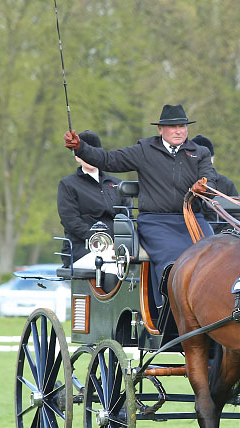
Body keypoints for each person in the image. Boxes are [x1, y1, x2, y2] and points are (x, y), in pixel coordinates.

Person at [63, 104, 215, 305]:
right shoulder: (145, 150)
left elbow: (210, 180)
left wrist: (204, 187)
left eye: (183, 126)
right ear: (160, 129)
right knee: (174, 259)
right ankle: (169, 309)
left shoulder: (199, 152)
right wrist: (80, 147)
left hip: (193, 220)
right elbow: (109, 160)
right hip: (157, 222)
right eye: (173, 127)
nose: (179, 131)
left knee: (215, 256)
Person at [56, 130, 130, 267]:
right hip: (84, 248)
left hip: (117, 248)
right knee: (111, 264)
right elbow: (71, 221)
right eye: (86, 153)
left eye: (94, 153)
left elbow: (126, 216)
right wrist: (101, 241)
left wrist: (121, 241)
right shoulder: (68, 185)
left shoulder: (117, 184)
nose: (91, 158)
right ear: (77, 157)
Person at [190, 134, 240, 231]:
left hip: (220, 240)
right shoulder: (182, 182)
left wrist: (220, 238)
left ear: (212, 159)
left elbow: (236, 218)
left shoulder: (226, 184)